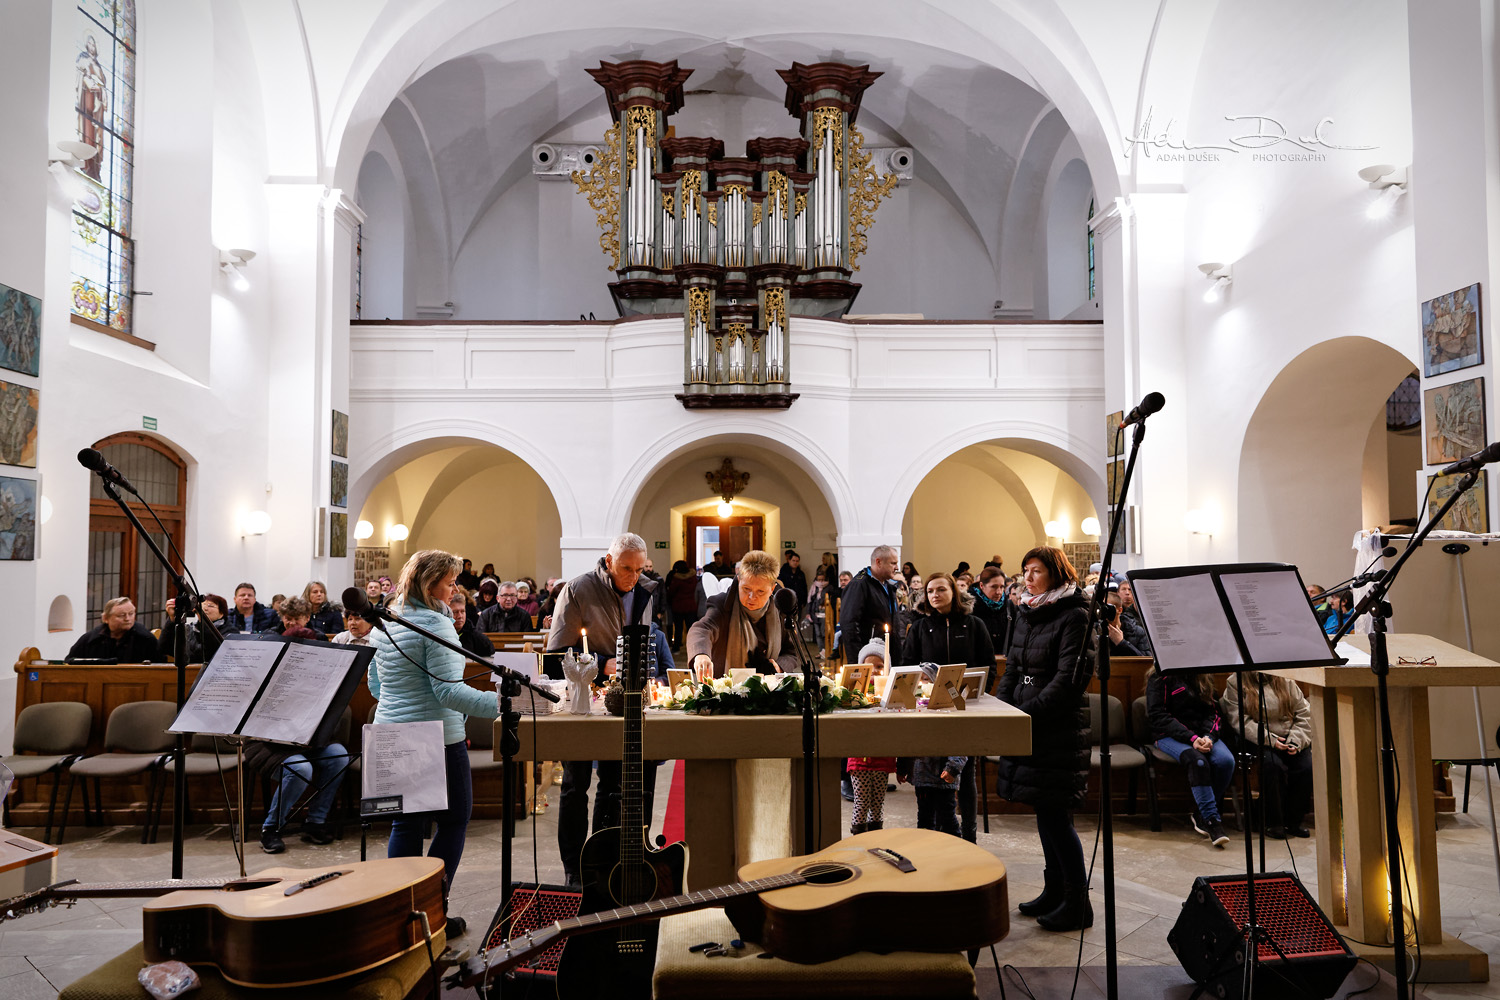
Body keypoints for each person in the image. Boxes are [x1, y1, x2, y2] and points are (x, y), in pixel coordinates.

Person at [369, 549, 499, 936]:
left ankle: (401, 920)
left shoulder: (386, 622)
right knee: (454, 821)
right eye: (449, 582)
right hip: (436, 739)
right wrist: (508, 704)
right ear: (430, 585)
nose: (454, 588)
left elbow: (377, 686)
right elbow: (450, 695)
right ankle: (433, 912)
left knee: (404, 825)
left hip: (391, 733)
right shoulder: (436, 626)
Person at [546, 533, 661, 885]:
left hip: (625, 702)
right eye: (626, 568)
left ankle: (599, 860)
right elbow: (554, 660)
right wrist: (601, 662)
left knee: (614, 785)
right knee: (575, 784)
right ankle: (573, 869)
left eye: (640, 569)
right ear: (609, 561)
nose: (633, 576)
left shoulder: (645, 589)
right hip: (583, 701)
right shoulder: (578, 589)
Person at [993, 546, 1094, 931]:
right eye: (1025, 571)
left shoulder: (1075, 615)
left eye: (1036, 571)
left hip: (1057, 728)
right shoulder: (1027, 612)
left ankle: (1077, 903)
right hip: (1027, 723)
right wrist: (1005, 712)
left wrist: (1025, 714)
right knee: (1044, 810)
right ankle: (1055, 892)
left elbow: (1069, 680)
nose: (1028, 578)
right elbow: (1012, 669)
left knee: (1056, 816)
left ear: (1055, 573)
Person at [901, 572, 995, 843]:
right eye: (930, 591)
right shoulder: (919, 627)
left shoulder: (974, 624)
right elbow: (909, 665)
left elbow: (987, 665)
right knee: (933, 775)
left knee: (965, 774)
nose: (934, 595)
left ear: (954, 592)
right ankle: (939, 837)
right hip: (930, 710)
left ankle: (968, 837)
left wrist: (972, 693)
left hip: (965, 708)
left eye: (941, 589)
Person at [1147, 666, 1234, 849]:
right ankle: (1211, 821)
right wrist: (1191, 738)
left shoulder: (1204, 675)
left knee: (1226, 761)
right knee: (1198, 761)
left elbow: (1214, 713)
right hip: (1168, 735)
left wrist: (1208, 737)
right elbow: (1158, 716)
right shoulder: (1159, 677)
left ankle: (1200, 813)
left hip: (1202, 736)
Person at [1221, 673, 1313, 838]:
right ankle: (1273, 822)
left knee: (1306, 768)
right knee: (1273, 766)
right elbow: (1240, 720)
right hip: (1258, 738)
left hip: (1290, 736)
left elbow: (1304, 714)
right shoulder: (1236, 681)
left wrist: (1295, 740)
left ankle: (1293, 822)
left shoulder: (1285, 678)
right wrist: (1269, 739)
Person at [687, 550, 798, 677]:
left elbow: (792, 652)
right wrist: (701, 654)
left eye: (760, 591)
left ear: (772, 588)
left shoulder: (781, 610)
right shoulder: (722, 605)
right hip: (727, 689)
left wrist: (779, 666)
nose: (752, 597)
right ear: (739, 580)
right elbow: (702, 629)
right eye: (746, 589)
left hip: (769, 689)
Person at [847, 639, 896, 834]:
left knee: (878, 804)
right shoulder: (854, 694)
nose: (875, 671)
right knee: (861, 802)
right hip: (860, 759)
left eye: (880, 666)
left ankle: (875, 838)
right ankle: (859, 838)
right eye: (870, 666)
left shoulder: (891, 696)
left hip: (882, 759)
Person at [837, 545, 903, 663]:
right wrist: (859, 661)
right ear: (879, 562)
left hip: (888, 653)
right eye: (893, 563)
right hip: (869, 658)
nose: (897, 567)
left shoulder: (887, 584)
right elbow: (849, 625)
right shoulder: (859, 585)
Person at [898, 749, 967, 837]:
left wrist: (951, 769)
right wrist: (902, 768)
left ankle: (954, 846)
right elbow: (907, 744)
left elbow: (958, 746)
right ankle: (925, 845)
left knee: (947, 819)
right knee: (925, 819)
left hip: (944, 781)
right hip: (922, 778)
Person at [68, 597, 159, 662]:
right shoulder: (90, 639)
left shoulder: (145, 638)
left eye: (131, 614)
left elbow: (160, 665)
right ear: (106, 618)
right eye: (121, 615)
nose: (127, 618)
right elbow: (69, 662)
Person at [970, 566, 1012, 681]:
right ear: (982, 586)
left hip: (1004, 668)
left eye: (1002, 587)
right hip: (978, 668)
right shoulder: (970, 609)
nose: (999, 592)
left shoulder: (1009, 607)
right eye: (993, 587)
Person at [665, 560, 699, 650]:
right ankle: (693, 647)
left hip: (678, 607)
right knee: (691, 628)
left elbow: (671, 592)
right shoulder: (693, 578)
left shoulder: (676, 579)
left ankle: (676, 647)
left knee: (678, 628)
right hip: (691, 606)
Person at [449, 592, 495, 658]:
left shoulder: (477, 638)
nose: (460, 616)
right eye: (455, 612)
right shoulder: (439, 635)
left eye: (462, 611)